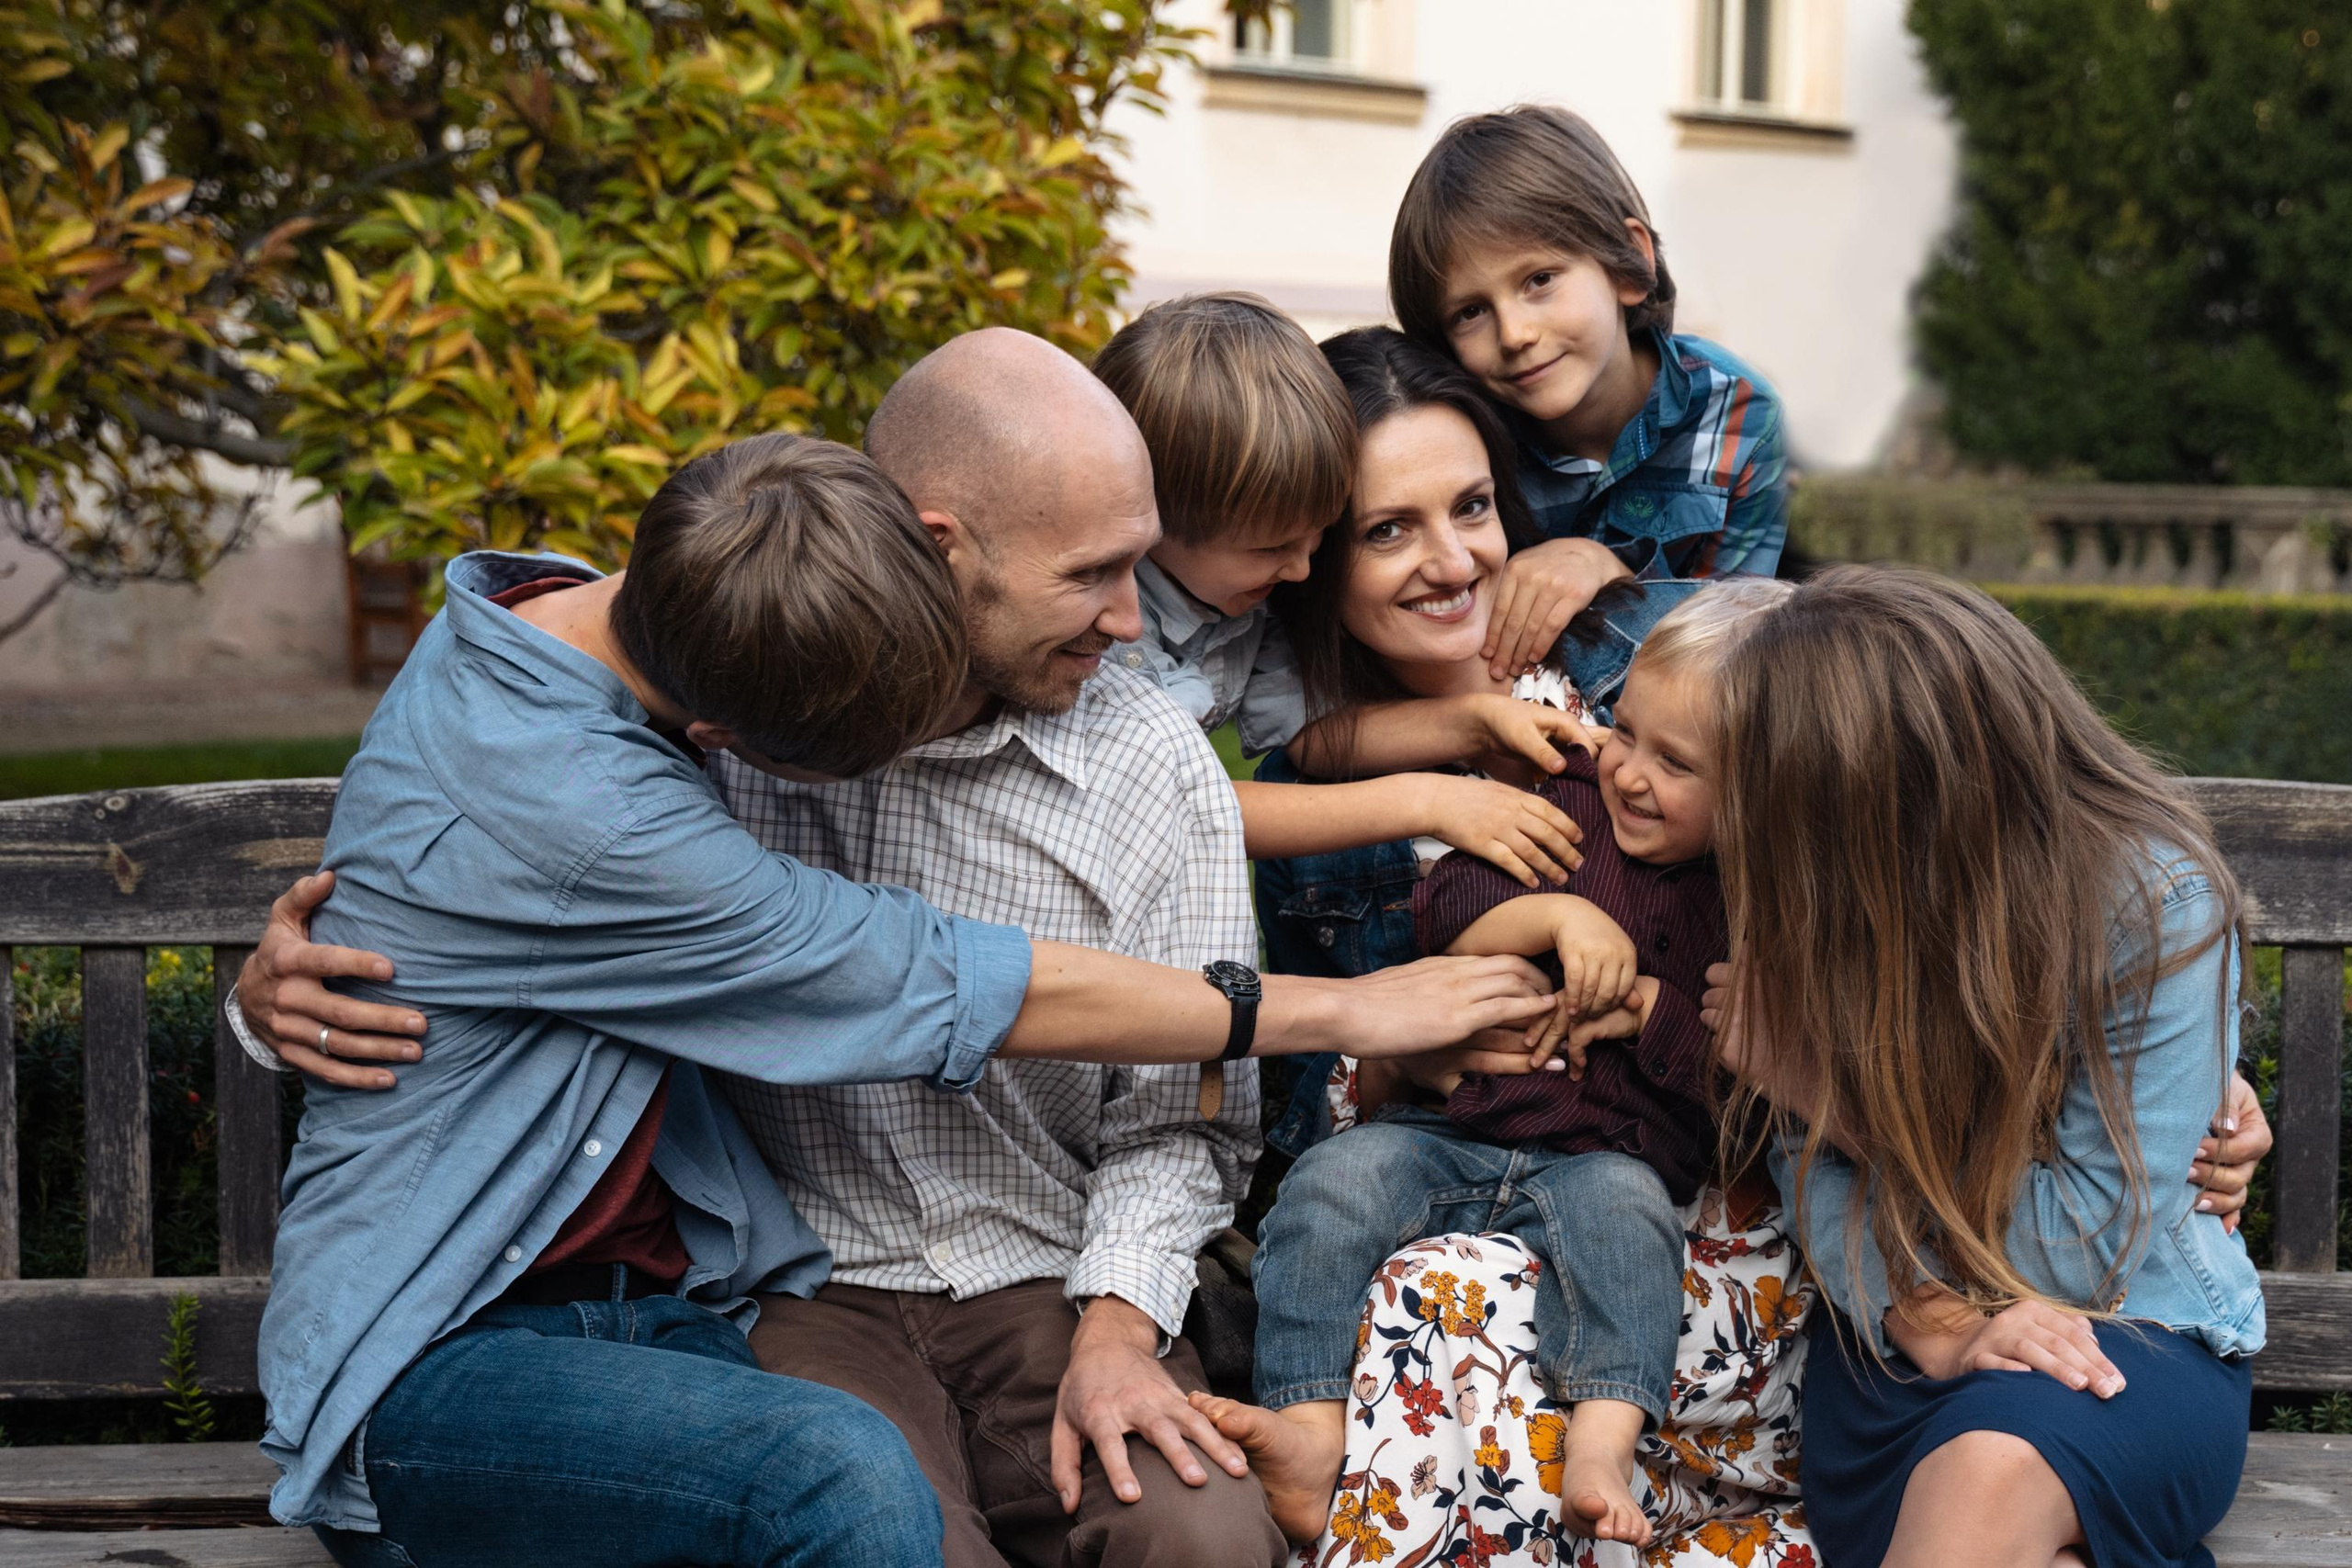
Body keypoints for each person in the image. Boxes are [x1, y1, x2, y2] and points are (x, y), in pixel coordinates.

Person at [227, 420, 1559, 1567]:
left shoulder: (652, 591)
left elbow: (445, 886)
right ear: (728, 750)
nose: (1130, 619)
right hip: (471, 1341)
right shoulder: (614, 807)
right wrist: (1349, 1007)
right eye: (1095, 574)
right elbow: (934, 973)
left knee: (1078, 1509)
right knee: (843, 1479)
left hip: (667, 1313)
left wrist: (266, 984)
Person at [1702, 566, 2266, 1568]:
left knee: (1985, 1478)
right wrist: (1931, 1325)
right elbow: (1813, 1181)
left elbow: (2076, 1246)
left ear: (1879, 792)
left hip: (2125, 1340)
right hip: (1899, 1342)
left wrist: (1837, 1102)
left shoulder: (2156, 904)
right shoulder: (1829, 902)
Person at [1215, 579, 1795, 1550]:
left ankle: (1605, 1444)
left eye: (1677, 763)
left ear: (1758, 798)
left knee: (1628, 1240)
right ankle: (1308, 1422)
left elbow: (1733, 1083)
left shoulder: (1750, 909)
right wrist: (1553, 917)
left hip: (1608, 1157)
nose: (1632, 773)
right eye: (1628, 734)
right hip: (1451, 1128)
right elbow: (1445, 905)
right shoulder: (1574, 804)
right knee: (1330, 1187)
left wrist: (1652, 1008)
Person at [1095, 290, 1595, 890]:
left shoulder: (1248, 592)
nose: (1303, 570)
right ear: (1154, 524)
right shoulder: (1104, 633)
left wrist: (1479, 722)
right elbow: (1167, 802)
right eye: (1383, 530)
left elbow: (1315, 738)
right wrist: (1430, 802)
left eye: (1317, 539)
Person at [1389, 104, 1789, 683]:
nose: (1515, 334)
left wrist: (1614, 577)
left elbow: (1741, 652)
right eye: (1470, 312)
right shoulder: (1460, 439)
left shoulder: (1740, 422)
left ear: (1628, 265)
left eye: (1539, 280)